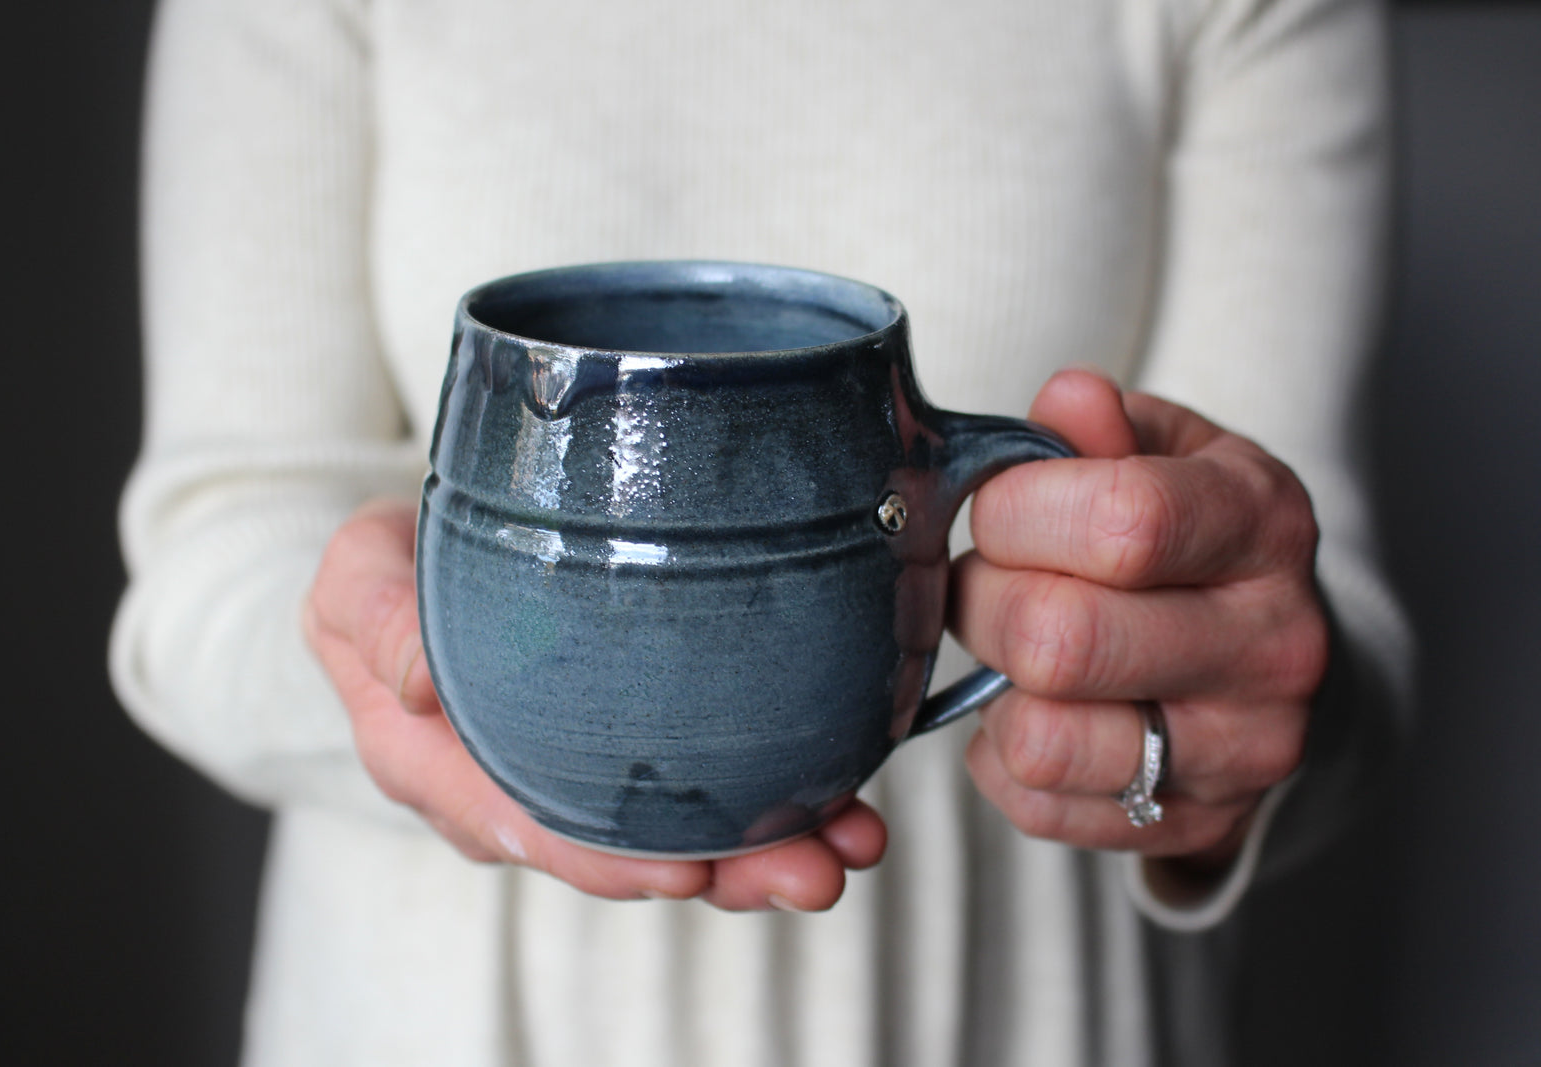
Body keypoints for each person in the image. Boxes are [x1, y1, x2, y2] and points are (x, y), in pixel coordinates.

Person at [110, 0, 1411, 1063]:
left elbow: (1307, 600)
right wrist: (383, 667)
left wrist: (1209, 705)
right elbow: (216, 545)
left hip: (1038, 1024)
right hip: (436, 1028)